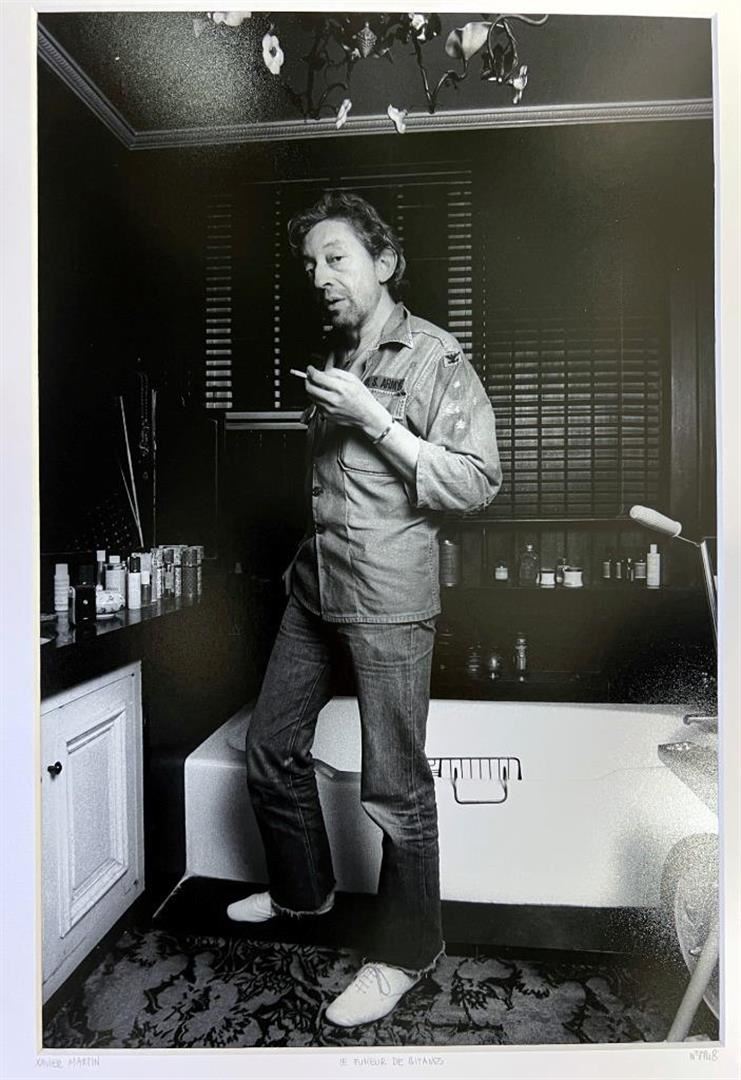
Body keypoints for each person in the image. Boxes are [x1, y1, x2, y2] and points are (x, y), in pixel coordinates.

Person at [227, 191, 501, 1026]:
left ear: (384, 263)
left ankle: (406, 953)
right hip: (314, 587)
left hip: (387, 597)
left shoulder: (434, 356)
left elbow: (475, 482)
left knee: (394, 788)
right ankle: (301, 893)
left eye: (336, 257)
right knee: (270, 747)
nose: (319, 276)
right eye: (310, 263)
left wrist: (374, 418)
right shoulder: (336, 354)